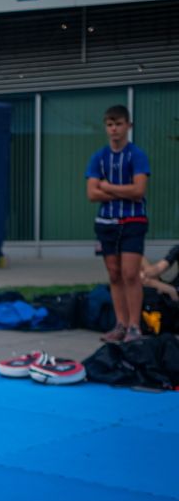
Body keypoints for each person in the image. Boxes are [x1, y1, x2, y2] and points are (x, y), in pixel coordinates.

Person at [86, 105, 151, 343]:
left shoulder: (137, 155)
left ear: (128, 126)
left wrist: (108, 187)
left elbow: (139, 190)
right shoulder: (99, 157)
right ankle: (121, 324)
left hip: (133, 221)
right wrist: (124, 191)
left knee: (131, 274)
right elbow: (92, 194)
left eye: (119, 124)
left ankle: (135, 326)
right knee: (114, 274)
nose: (114, 129)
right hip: (106, 223)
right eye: (110, 124)